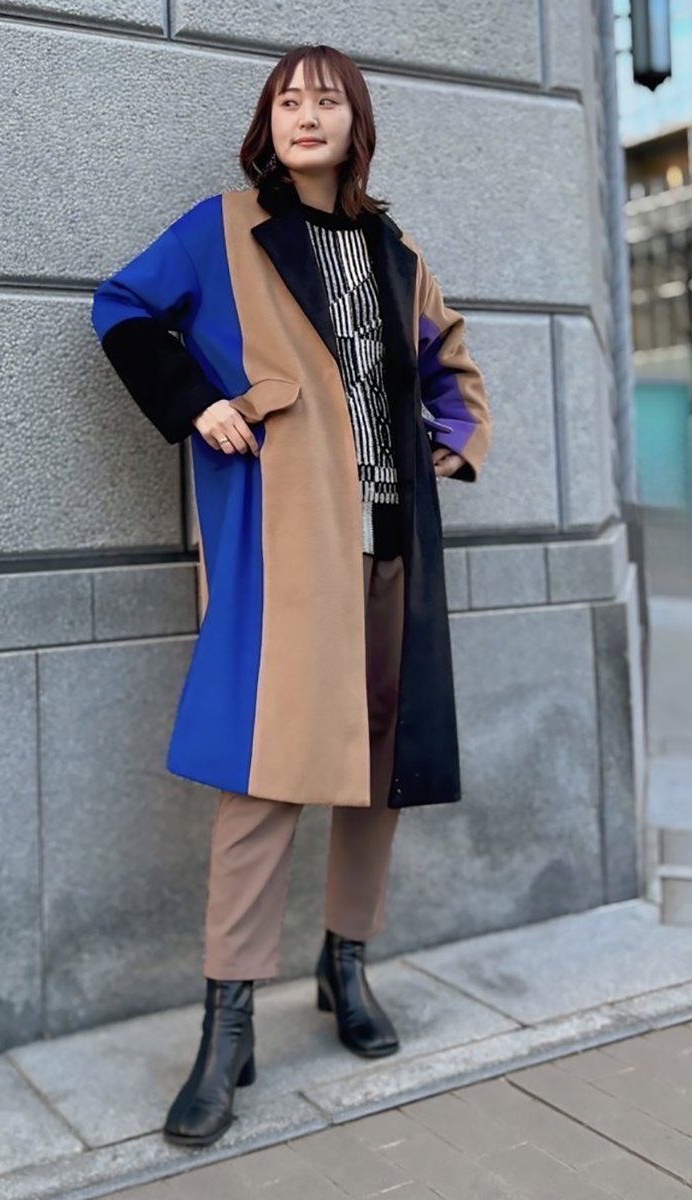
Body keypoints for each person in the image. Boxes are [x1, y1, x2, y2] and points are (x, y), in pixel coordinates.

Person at [91, 43, 492, 1149]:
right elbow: (122, 308)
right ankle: (226, 1026)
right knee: (261, 777)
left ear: (355, 125)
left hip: (391, 543)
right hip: (283, 549)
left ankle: (345, 965)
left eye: (325, 102)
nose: (304, 116)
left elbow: (450, 366)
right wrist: (196, 403)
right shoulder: (222, 229)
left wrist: (452, 443)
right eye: (287, 101)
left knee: (380, 774)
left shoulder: (394, 250)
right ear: (266, 125)